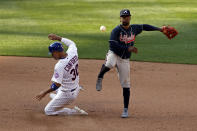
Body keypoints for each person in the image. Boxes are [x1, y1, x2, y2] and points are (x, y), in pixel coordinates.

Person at [96, 9, 178, 118]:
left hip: (124, 59)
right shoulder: (116, 30)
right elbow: (112, 46)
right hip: (114, 53)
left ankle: (125, 110)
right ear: (120, 19)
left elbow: (145, 26)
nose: (125, 18)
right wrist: (128, 48)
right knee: (110, 63)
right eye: (123, 17)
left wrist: (159, 29)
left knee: (126, 85)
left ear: (130, 17)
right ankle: (100, 75)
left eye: (127, 16)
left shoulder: (134, 28)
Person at [36, 34, 88, 116]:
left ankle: (73, 112)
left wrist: (44, 92)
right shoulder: (72, 53)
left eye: (52, 53)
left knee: (48, 111)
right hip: (74, 86)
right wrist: (58, 38)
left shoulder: (60, 66)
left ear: (57, 52)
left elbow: (57, 84)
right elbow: (71, 43)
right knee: (58, 88)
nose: (52, 56)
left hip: (68, 94)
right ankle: (68, 93)